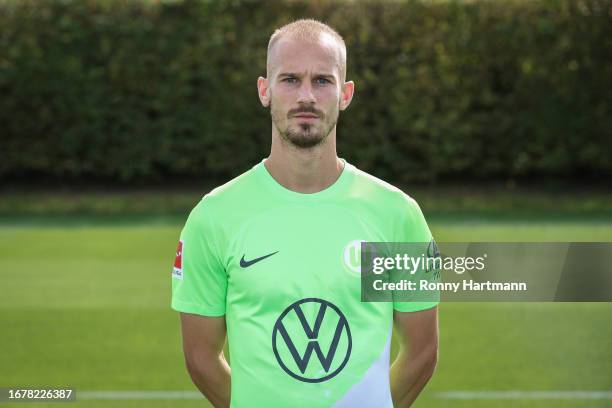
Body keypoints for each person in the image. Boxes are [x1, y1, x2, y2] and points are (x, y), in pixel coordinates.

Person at [171, 18, 438, 408]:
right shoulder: (213, 217)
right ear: (265, 90)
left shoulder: (398, 214)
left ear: (345, 94)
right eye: (290, 80)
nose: (306, 96)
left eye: (322, 81)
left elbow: (422, 352)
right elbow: (200, 357)